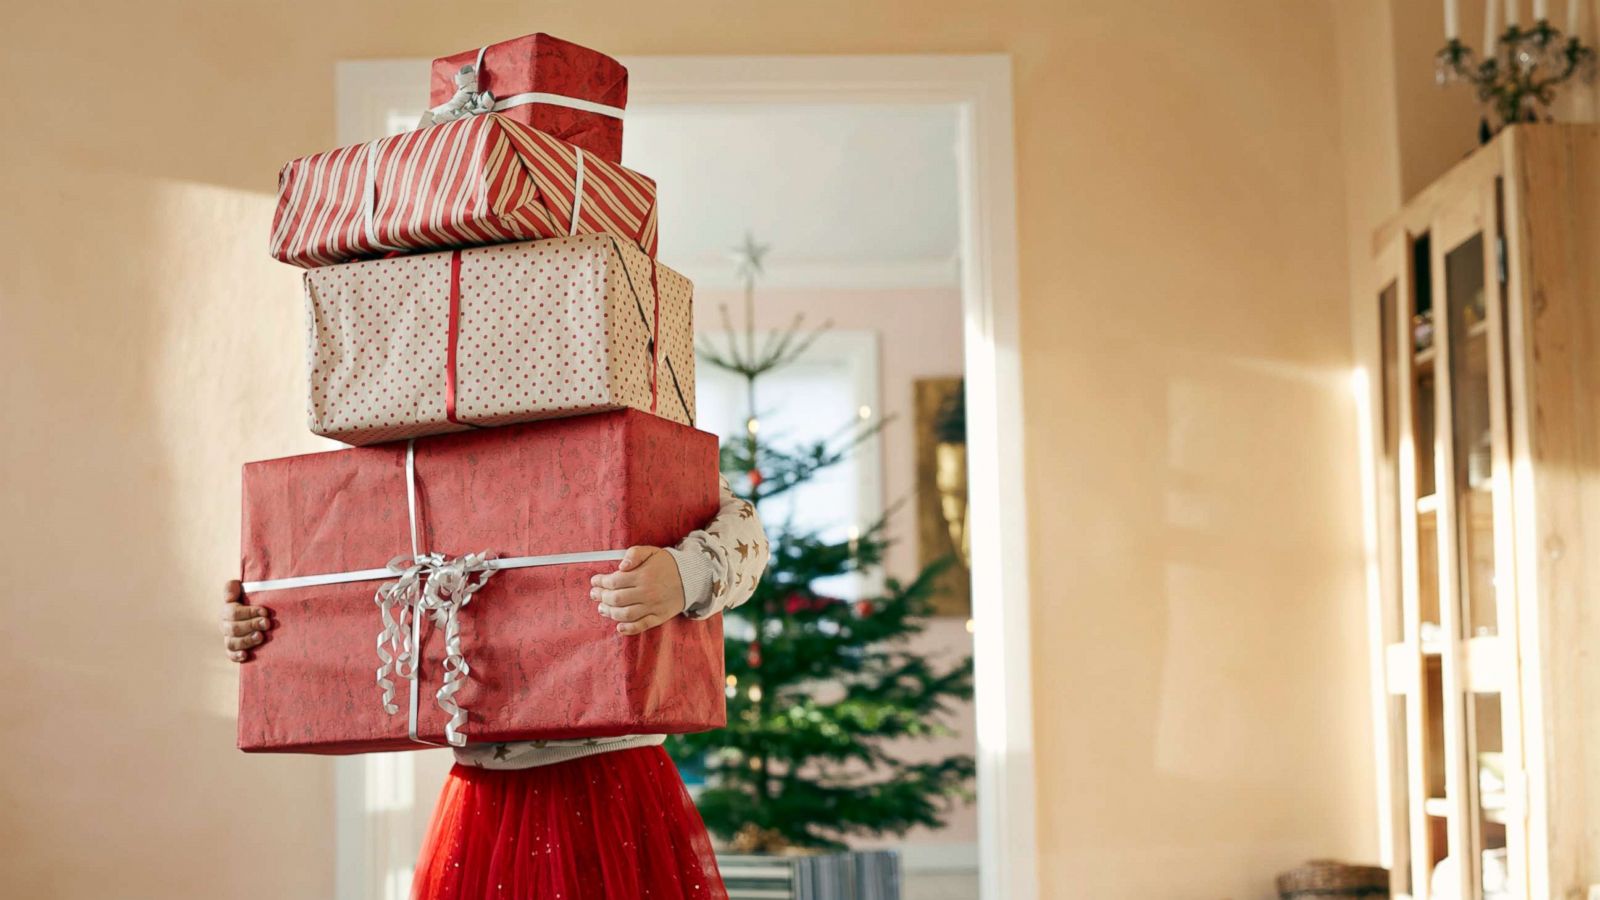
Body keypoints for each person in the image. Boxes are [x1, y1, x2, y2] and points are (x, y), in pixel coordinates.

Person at [221, 475, 768, 900]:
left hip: (613, 788)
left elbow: (745, 530)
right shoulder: (427, 449)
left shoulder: (622, 408)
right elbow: (350, 568)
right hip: (486, 800)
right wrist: (273, 620)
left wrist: (686, 574)